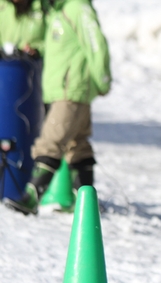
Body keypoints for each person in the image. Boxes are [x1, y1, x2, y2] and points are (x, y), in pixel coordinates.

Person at [5, 0, 110, 215]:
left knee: (50, 141)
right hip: (61, 89)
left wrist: (103, 79)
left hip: (71, 90)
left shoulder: (77, 8)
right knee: (77, 145)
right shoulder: (56, 10)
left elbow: (96, 44)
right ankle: (85, 202)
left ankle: (32, 197)